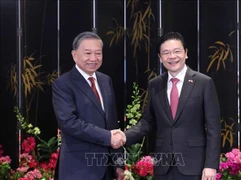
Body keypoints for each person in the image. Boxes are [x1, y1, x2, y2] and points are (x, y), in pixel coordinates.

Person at [122, 32, 221, 180]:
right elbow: (148, 121)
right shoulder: (155, 84)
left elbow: (214, 128)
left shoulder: (203, 83)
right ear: (160, 57)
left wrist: (211, 165)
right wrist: (124, 136)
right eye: (166, 53)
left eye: (177, 51)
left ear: (186, 53)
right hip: (164, 167)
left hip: (195, 166)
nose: (172, 56)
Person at [52, 31, 125, 180]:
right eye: (87, 53)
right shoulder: (63, 84)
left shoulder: (105, 81)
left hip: (106, 169)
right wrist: (108, 137)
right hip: (78, 169)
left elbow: (111, 124)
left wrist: (118, 164)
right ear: (74, 55)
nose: (93, 58)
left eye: (98, 53)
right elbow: (68, 123)